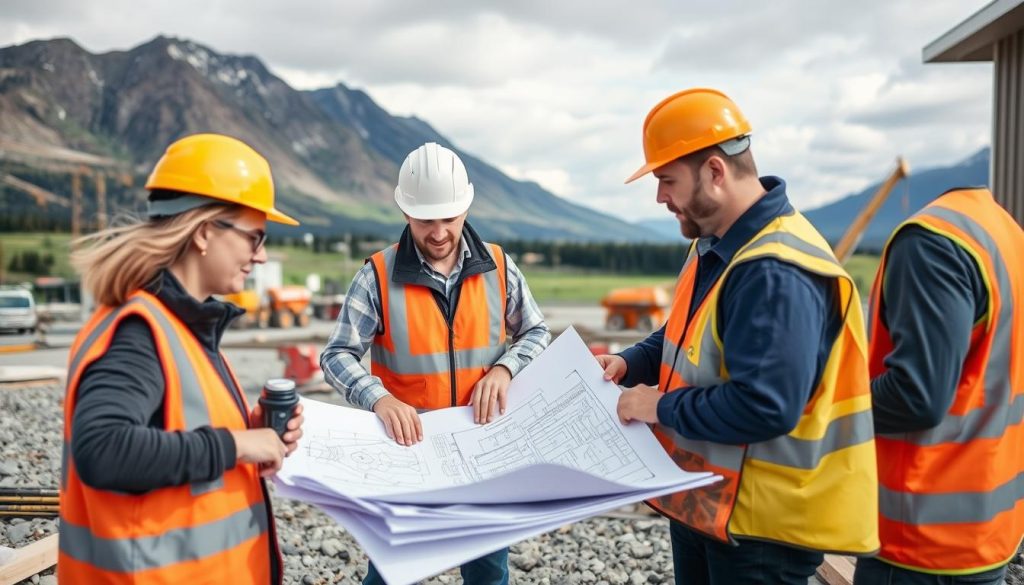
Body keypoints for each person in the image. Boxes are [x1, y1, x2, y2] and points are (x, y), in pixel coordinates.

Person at [599, 88, 879, 584]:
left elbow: (765, 405)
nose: (660, 196)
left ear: (714, 171)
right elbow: (687, 335)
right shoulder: (716, 243)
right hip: (706, 505)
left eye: (667, 180)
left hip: (760, 532)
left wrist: (655, 406)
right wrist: (631, 362)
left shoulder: (775, 271)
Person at [58, 133, 304, 584]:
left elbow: (173, 431)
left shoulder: (180, 325)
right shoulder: (140, 333)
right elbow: (103, 449)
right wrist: (237, 445)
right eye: (255, 237)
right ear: (206, 232)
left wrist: (247, 432)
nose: (262, 255)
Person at [320, 142, 550, 585]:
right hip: (409, 454)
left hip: (482, 453)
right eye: (427, 219)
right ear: (406, 212)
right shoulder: (377, 276)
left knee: (488, 573)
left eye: (449, 217)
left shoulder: (500, 267)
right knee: (390, 572)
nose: (440, 231)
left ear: (466, 206)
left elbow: (537, 332)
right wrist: (379, 400)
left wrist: (505, 369)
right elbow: (336, 355)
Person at [853, 187, 1024, 585]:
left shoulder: (930, 241)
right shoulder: (1004, 232)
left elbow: (917, 398)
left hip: (918, 542)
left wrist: (825, 400)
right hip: (986, 531)